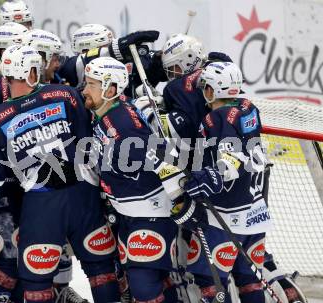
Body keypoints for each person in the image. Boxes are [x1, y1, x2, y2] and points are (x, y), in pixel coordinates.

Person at [0, 44, 120, 302]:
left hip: (42, 204)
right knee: (102, 268)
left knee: (36, 279)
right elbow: (88, 146)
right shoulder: (67, 95)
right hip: (82, 194)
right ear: (32, 72)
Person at [83, 56, 205, 302]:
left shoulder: (125, 125)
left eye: (91, 84)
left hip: (150, 214)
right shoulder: (108, 113)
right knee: (156, 282)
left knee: (143, 285)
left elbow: (163, 159)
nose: (84, 90)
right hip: (130, 214)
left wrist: (181, 198)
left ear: (111, 89)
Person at [183, 61, 271, 303]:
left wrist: (206, 177)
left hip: (225, 217)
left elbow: (231, 161)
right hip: (256, 211)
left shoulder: (216, 118)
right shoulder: (248, 107)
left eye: (205, 87)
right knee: (250, 280)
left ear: (212, 90)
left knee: (211, 283)